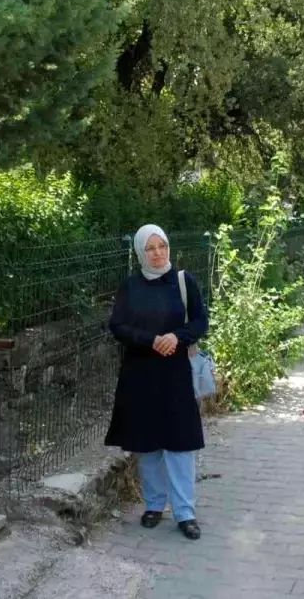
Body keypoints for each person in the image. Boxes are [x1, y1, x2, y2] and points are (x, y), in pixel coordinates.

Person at [104, 225, 208, 541]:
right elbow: (118, 326)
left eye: (161, 246)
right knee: (147, 443)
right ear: (140, 252)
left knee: (180, 442)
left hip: (175, 372)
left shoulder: (183, 281)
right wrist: (151, 341)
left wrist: (176, 337)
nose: (158, 253)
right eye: (150, 248)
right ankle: (153, 505)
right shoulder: (130, 286)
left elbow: (200, 321)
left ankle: (185, 512)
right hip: (141, 373)